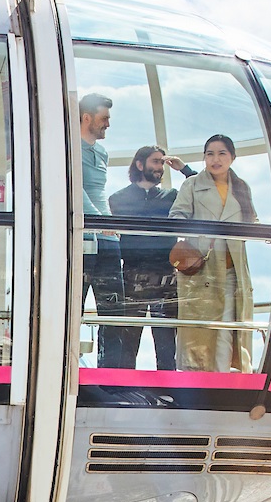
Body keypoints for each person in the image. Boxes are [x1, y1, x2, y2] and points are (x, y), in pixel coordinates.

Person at [166, 133, 257, 372]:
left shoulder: (241, 188)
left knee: (228, 327)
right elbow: (176, 217)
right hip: (202, 270)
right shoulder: (192, 184)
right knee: (199, 332)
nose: (215, 159)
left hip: (233, 270)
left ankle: (223, 378)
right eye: (210, 154)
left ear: (232, 157)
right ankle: (196, 383)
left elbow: (251, 222)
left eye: (221, 153)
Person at [103, 143, 193, 369]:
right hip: (132, 273)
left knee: (166, 345)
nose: (161, 167)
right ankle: (126, 393)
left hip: (166, 274)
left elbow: (202, 188)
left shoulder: (172, 196)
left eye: (163, 162)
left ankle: (168, 393)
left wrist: (184, 169)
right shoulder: (118, 199)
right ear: (139, 164)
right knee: (128, 342)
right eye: (156, 161)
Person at [75, 92, 124, 368]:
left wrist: (110, 225)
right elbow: (76, 188)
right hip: (83, 239)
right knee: (75, 308)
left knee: (114, 309)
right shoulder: (69, 148)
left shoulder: (102, 152)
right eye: (104, 118)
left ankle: (111, 372)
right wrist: (99, 223)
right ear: (86, 118)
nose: (108, 123)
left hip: (106, 240)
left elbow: (99, 193)